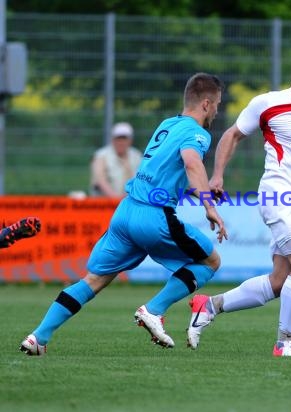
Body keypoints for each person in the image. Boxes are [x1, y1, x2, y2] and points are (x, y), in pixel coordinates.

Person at [20, 73, 227, 356]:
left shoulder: (167, 125)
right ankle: (153, 310)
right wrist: (209, 207)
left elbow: (166, 176)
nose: (217, 110)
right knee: (211, 261)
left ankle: (38, 337)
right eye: (217, 104)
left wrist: (196, 192)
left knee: (93, 280)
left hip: (125, 212)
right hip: (153, 218)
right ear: (206, 103)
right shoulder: (198, 133)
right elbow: (192, 162)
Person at [186, 44, 291, 357]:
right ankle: (285, 343)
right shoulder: (269, 103)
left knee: (280, 281)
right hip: (277, 195)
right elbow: (231, 135)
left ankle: (208, 306)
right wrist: (217, 176)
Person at [90, 121, 143, 198]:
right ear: (113, 140)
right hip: (105, 204)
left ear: (130, 140)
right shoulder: (101, 155)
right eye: (118, 139)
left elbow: (140, 180)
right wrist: (116, 199)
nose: (121, 142)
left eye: (124, 139)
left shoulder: (137, 156)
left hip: (130, 202)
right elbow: (100, 180)